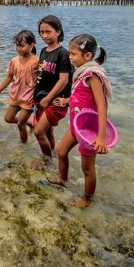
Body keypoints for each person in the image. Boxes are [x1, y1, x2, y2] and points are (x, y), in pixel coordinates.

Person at [49, 34, 112, 208]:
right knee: (61, 151)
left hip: (88, 131)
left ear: (87, 56)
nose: (70, 57)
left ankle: (87, 199)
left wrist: (101, 137)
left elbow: (102, 106)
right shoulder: (81, 73)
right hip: (76, 125)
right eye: (69, 53)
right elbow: (81, 95)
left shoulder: (92, 75)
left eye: (73, 54)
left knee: (87, 169)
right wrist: (66, 101)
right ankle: (63, 180)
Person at [32, 15, 72, 160]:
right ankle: (52, 155)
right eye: (41, 32)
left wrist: (48, 98)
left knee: (38, 132)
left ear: (58, 32)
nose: (44, 35)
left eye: (48, 31)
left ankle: (47, 161)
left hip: (55, 100)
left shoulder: (63, 54)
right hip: (41, 97)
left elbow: (63, 80)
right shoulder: (43, 51)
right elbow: (43, 71)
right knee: (47, 132)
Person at [0, 30, 38, 143]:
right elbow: (9, 77)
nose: (18, 48)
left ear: (32, 45)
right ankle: (30, 123)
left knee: (20, 124)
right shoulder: (14, 61)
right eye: (17, 45)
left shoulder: (37, 61)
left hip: (29, 98)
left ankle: (23, 147)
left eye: (21, 46)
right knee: (8, 119)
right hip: (16, 96)